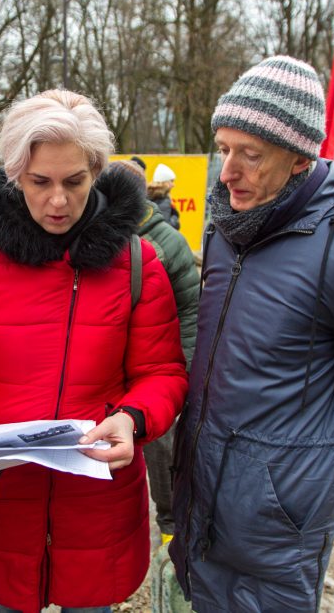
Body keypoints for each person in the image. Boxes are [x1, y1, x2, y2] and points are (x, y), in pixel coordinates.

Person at [169, 55, 334, 611]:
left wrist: (301, 478)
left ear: (298, 158)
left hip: (277, 525)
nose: (228, 171)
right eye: (223, 150)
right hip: (202, 490)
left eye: (250, 155)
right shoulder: (225, 230)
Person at [0, 89, 188, 613]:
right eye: (40, 182)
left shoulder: (138, 262)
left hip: (98, 507)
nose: (59, 201)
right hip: (2, 501)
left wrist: (133, 420)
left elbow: (163, 373)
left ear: (96, 172)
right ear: (15, 173)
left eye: (75, 182)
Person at [117, 158, 199, 543]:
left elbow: (191, 309)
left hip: (158, 361)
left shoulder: (167, 242)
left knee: (160, 445)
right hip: (115, 364)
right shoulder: (102, 233)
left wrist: (182, 368)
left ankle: (170, 525)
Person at [149, 163, 180, 229]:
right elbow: (166, 228)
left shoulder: (148, 194)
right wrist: (175, 218)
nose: (173, 185)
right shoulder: (164, 200)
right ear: (164, 182)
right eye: (171, 181)